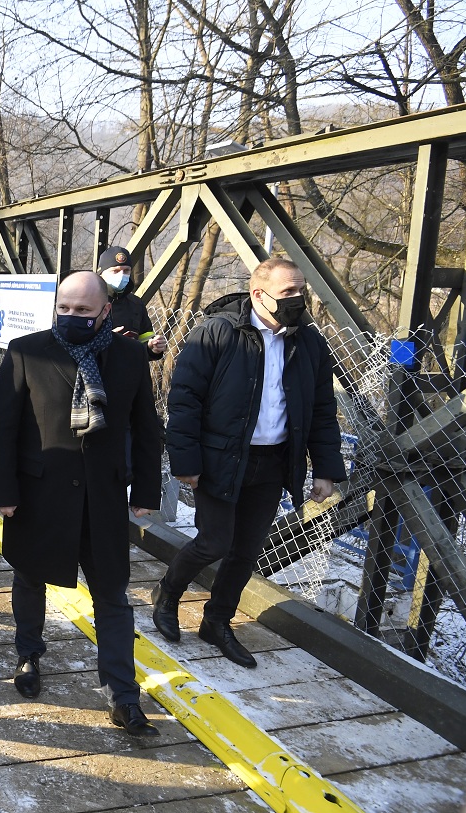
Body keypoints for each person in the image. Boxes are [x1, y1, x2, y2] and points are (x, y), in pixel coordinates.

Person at [0, 270, 163, 736]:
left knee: (112, 595)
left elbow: (146, 426)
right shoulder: (28, 350)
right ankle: (28, 654)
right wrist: (2, 491)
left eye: (83, 310)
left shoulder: (128, 356)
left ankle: (123, 694)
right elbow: (2, 426)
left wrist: (146, 491)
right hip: (38, 494)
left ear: (105, 310)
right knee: (29, 578)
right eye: (64, 308)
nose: (72, 316)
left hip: (103, 497)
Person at [153, 257, 346, 667]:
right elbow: (184, 400)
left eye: (301, 289)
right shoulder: (219, 333)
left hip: (273, 461)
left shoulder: (308, 342)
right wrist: (185, 460)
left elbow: (322, 409)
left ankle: (217, 621)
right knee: (214, 542)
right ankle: (168, 594)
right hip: (221, 459)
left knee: (246, 551)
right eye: (288, 292)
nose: (299, 299)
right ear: (259, 294)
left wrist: (326, 469)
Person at [98, 246, 166, 359]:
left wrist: (152, 348)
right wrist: (106, 339)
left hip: (128, 373)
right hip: (94, 372)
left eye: (126, 271)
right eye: (115, 271)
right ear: (101, 273)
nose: (121, 275)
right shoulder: (88, 302)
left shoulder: (136, 304)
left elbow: (144, 341)